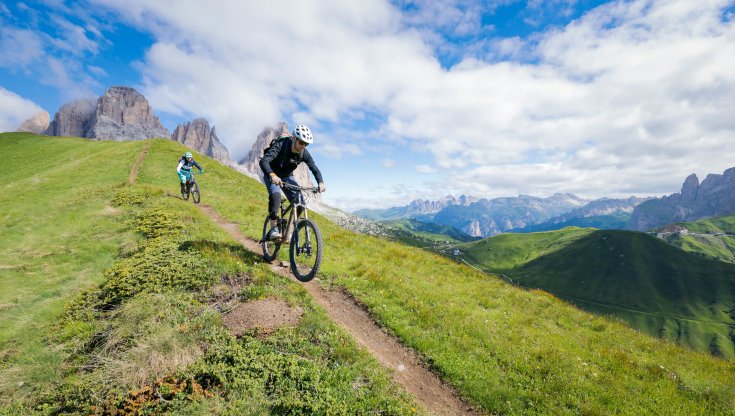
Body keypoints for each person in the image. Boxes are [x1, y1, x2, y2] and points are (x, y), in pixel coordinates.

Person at [259, 124, 325, 240]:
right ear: (294, 138)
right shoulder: (281, 145)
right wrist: (272, 175)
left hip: (286, 176)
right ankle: (274, 228)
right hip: (271, 173)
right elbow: (264, 161)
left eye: (306, 144)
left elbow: (314, 167)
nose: (303, 146)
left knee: (300, 202)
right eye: (301, 142)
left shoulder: (304, 153)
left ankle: (288, 232)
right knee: (276, 196)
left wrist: (320, 182)